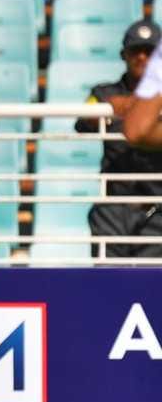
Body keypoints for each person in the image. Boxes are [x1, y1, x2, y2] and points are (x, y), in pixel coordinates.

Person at [75, 19, 162, 258]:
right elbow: (84, 119)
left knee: (151, 279)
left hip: (158, 207)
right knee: (108, 277)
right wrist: (108, 107)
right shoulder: (103, 93)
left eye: (149, 52)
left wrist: (130, 106)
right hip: (113, 208)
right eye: (136, 51)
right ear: (123, 55)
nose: (142, 57)